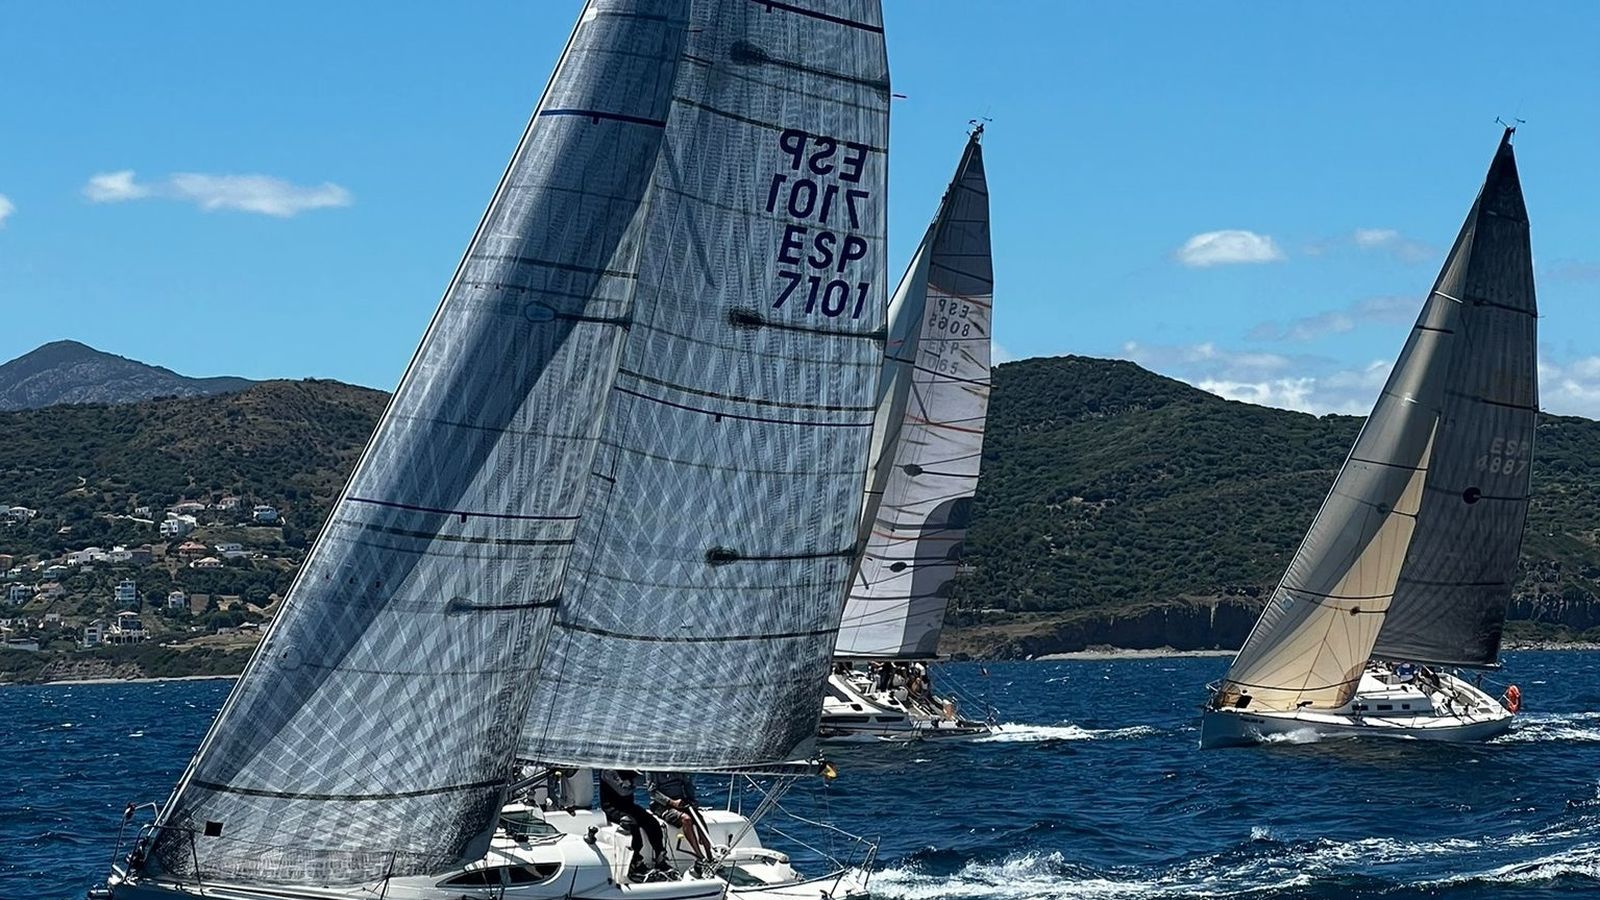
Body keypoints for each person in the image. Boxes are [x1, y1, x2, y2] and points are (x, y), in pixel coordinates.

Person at [599, 769, 670, 881]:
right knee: (631, 824)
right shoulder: (607, 771)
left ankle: (660, 858)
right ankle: (636, 862)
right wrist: (632, 785)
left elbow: (632, 783)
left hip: (629, 806)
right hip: (612, 807)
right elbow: (622, 791)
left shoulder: (627, 769)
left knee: (652, 822)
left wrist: (631, 783)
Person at [648, 771, 713, 877]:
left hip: (681, 801)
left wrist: (692, 800)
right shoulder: (652, 770)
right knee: (686, 819)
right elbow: (652, 792)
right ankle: (700, 857)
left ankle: (710, 857)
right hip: (662, 805)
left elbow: (687, 784)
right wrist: (671, 802)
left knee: (699, 818)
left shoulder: (677, 768)